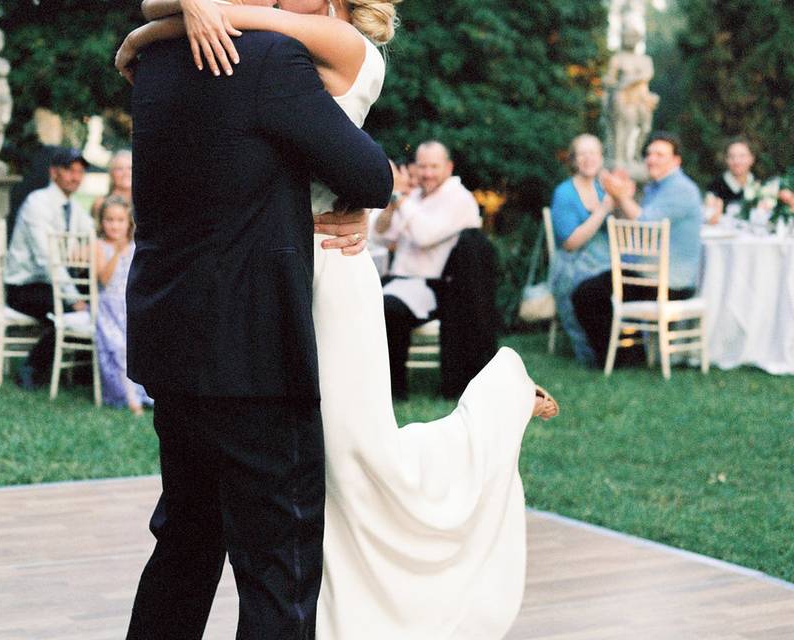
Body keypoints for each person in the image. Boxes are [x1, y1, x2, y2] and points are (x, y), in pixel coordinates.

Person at [117, 1, 557, 638]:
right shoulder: (263, 56)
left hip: (217, 319)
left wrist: (155, 25)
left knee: (201, 534)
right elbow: (363, 170)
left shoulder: (180, 57)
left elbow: (372, 174)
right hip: (267, 320)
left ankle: (499, 401)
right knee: (277, 557)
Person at [572, 131, 703, 367]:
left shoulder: (680, 189)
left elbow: (646, 225)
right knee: (589, 290)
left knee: (588, 294)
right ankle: (627, 352)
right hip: (649, 276)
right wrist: (622, 196)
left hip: (670, 283)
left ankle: (622, 357)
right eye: (649, 154)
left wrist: (621, 196)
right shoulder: (658, 187)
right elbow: (635, 224)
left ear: (676, 161)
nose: (652, 159)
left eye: (660, 155)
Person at [372, 140, 483, 400]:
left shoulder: (459, 199)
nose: (427, 173)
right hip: (399, 280)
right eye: (422, 167)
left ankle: (393, 390)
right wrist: (393, 204)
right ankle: (370, 385)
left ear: (449, 167)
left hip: (435, 286)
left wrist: (401, 199)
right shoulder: (417, 197)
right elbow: (380, 236)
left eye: (434, 166)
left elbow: (424, 235)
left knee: (389, 308)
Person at [3, 148, 94, 389]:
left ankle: (84, 371)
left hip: (53, 285)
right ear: (54, 172)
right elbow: (45, 260)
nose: (75, 177)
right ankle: (30, 368)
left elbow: (92, 236)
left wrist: (90, 249)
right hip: (24, 287)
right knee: (71, 311)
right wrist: (73, 298)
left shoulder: (74, 209)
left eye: (80, 171)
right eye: (69, 170)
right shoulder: (37, 203)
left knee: (101, 304)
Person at [549, 134, 614, 366]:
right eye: (582, 154)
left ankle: (627, 349)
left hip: (606, 261)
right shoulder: (564, 193)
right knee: (593, 290)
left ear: (601, 157)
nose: (588, 159)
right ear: (574, 160)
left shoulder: (603, 188)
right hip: (574, 264)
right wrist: (602, 210)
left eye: (593, 153)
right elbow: (570, 242)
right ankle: (600, 352)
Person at [94, 195, 153, 415]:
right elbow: (103, 279)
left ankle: (146, 395)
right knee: (119, 347)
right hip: (108, 309)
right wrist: (116, 253)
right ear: (102, 222)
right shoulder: (99, 246)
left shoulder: (135, 246)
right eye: (109, 220)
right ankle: (130, 399)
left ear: (129, 223)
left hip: (129, 308)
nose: (114, 225)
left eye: (119, 220)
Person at [705, 137, 757, 224]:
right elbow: (709, 219)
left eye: (742, 156)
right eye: (732, 157)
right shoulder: (716, 186)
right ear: (726, 160)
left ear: (751, 159)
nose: (736, 161)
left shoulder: (759, 185)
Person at [91, 149, 132, 225]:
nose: (126, 173)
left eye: (130, 168)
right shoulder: (100, 203)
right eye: (120, 169)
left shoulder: (145, 202)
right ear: (111, 173)